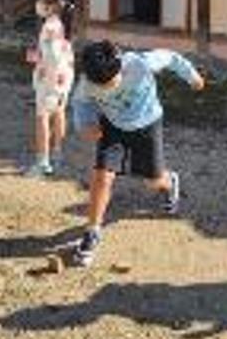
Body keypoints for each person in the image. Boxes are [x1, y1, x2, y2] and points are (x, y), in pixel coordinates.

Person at [70, 40, 205, 267]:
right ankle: (92, 232)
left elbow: (171, 57)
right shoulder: (87, 82)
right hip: (112, 128)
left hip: (147, 125)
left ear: (120, 67)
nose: (105, 90)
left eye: (110, 84)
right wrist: (86, 124)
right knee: (102, 177)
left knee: (153, 181)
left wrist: (192, 77)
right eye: (100, 87)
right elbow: (81, 104)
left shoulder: (140, 63)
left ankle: (169, 181)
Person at [24, 0, 75, 178]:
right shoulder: (62, 23)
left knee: (42, 118)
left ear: (51, 6)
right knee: (60, 113)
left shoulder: (50, 26)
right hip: (64, 77)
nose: (38, 3)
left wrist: (37, 58)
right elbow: (63, 51)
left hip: (50, 80)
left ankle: (43, 163)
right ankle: (57, 153)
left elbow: (52, 55)